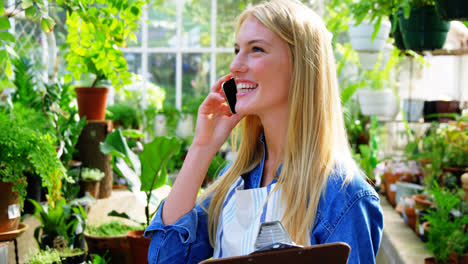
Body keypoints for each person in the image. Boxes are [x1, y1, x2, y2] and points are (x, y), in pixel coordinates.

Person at [144, 0, 383, 263]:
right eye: (237, 49)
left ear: (300, 66)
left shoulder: (343, 197)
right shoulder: (232, 180)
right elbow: (166, 258)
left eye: (256, 49)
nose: (235, 65)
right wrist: (203, 147)